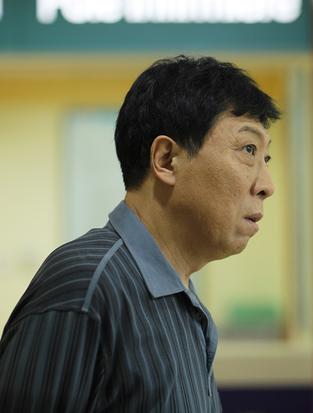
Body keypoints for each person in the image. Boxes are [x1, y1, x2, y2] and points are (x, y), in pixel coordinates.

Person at [0, 55, 279, 412]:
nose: (267, 185)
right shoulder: (86, 285)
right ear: (166, 159)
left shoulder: (182, 299)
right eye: (248, 150)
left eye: (265, 158)